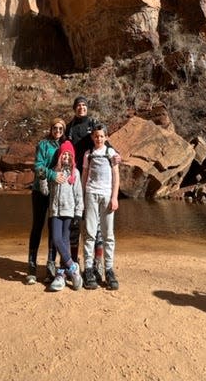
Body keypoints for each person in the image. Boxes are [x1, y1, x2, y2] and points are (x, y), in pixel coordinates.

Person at [65, 96, 104, 278]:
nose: (81, 108)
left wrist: (114, 154)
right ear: (74, 109)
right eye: (78, 105)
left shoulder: (94, 123)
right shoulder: (70, 126)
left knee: (94, 224)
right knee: (74, 221)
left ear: (87, 108)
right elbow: (64, 148)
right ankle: (73, 262)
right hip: (74, 178)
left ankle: (97, 263)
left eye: (84, 105)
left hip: (92, 179)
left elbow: (103, 141)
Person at [25, 118, 66, 285]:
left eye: (60, 129)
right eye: (55, 128)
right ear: (51, 129)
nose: (57, 131)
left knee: (53, 226)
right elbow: (38, 166)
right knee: (37, 225)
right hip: (40, 190)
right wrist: (52, 175)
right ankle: (32, 265)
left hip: (56, 191)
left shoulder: (63, 146)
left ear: (63, 131)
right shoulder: (43, 144)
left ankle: (51, 263)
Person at [82, 123, 121, 291]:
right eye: (96, 136)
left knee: (108, 235)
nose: (98, 138)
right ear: (92, 137)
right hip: (91, 194)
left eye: (101, 136)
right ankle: (89, 269)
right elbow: (84, 175)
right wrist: (82, 197)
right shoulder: (88, 154)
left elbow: (116, 176)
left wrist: (114, 197)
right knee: (90, 234)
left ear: (106, 137)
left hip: (106, 196)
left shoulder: (111, 153)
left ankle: (109, 270)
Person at [48, 140, 84, 292]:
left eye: (69, 155)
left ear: (73, 157)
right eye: (64, 155)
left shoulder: (75, 173)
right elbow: (46, 191)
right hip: (55, 211)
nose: (67, 158)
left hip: (69, 212)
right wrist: (46, 176)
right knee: (56, 239)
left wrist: (78, 213)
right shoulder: (55, 171)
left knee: (65, 240)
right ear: (60, 156)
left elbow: (78, 195)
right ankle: (73, 267)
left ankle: (61, 273)